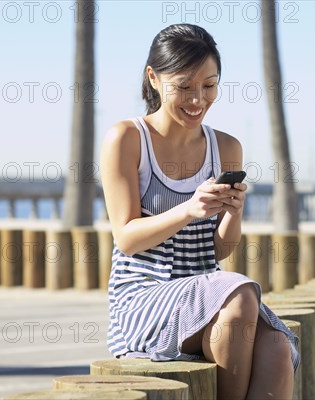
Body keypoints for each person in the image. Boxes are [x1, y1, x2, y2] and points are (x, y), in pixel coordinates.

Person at [100, 24, 299, 400]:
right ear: (154, 79)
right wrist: (190, 209)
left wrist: (233, 212)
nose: (198, 99)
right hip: (145, 298)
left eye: (208, 86)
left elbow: (220, 251)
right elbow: (126, 238)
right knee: (240, 294)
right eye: (184, 87)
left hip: (214, 298)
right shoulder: (127, 138)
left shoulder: (225, 146)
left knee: (275, 350)